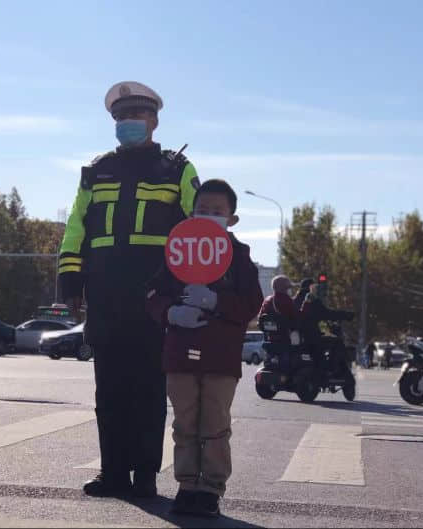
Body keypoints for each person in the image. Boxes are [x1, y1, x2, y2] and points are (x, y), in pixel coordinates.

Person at [58, 81, 200, 498]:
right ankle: (113, 472)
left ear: (154, 121)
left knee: (149, 388)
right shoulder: (96, 170)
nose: (128, 124)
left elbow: (197, 228)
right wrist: (71, 278)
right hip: (105, 293)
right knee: (111, 388)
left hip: (155, 296)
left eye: (136, 117)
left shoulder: (177, 169)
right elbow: (75, 229)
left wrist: (190, 286)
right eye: (121, 118)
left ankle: (145, 476)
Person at [146, 179, 263, 517]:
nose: (209, 216)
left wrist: (216, 300)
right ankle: (186, 484)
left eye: (217, 212)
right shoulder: (176, 251)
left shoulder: (239, 257)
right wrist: (171, 312)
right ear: (190, 212)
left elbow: (251, 304)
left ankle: (210, 488)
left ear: (232, 219)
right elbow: (153, 294)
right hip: (180, 354)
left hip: (220, 357)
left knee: (213, 424)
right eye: (202, 210)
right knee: (184, 423)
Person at [300, 282, 354, 374]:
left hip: (302, 337)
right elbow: (328, 314)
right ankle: (330, 369)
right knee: (337, 342)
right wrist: (347, 315)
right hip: (312, 338)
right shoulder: (313, 303)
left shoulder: (299, 302)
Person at [258, 275, 300, 344]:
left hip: (270, 338)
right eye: (287, 288)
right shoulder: (286, 300)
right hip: (285, 338)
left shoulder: (267, 300)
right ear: (284, 288)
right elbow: (295, 317)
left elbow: (261, 318)